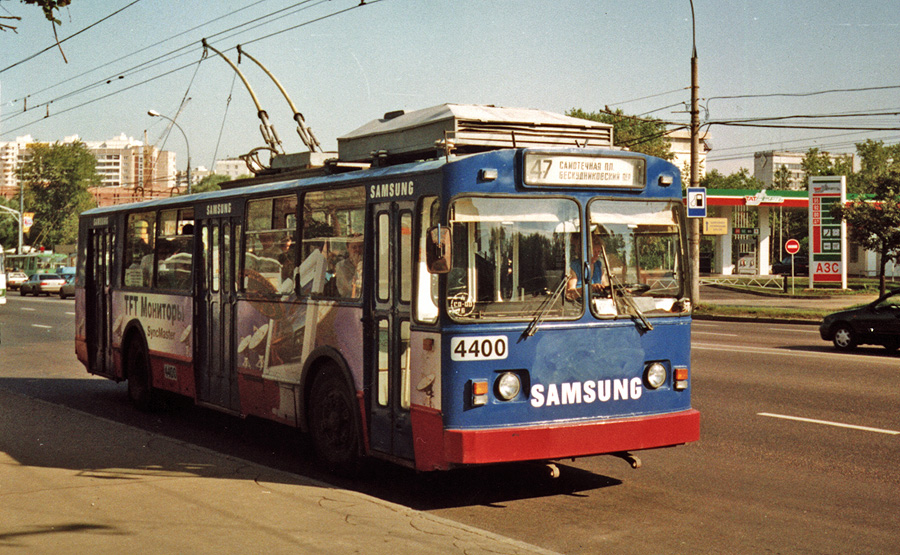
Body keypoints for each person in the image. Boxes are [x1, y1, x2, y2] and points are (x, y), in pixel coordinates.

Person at [566, 233, 609, 300]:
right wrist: (589, 288)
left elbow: (606, 287)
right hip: (579, 306)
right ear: (584, 251)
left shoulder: (599, 265)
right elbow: (570, 294)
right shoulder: (575, 266)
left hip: (598, 306)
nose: (597, 255)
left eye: (598, 252)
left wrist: (620, 290)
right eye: (594, 252)